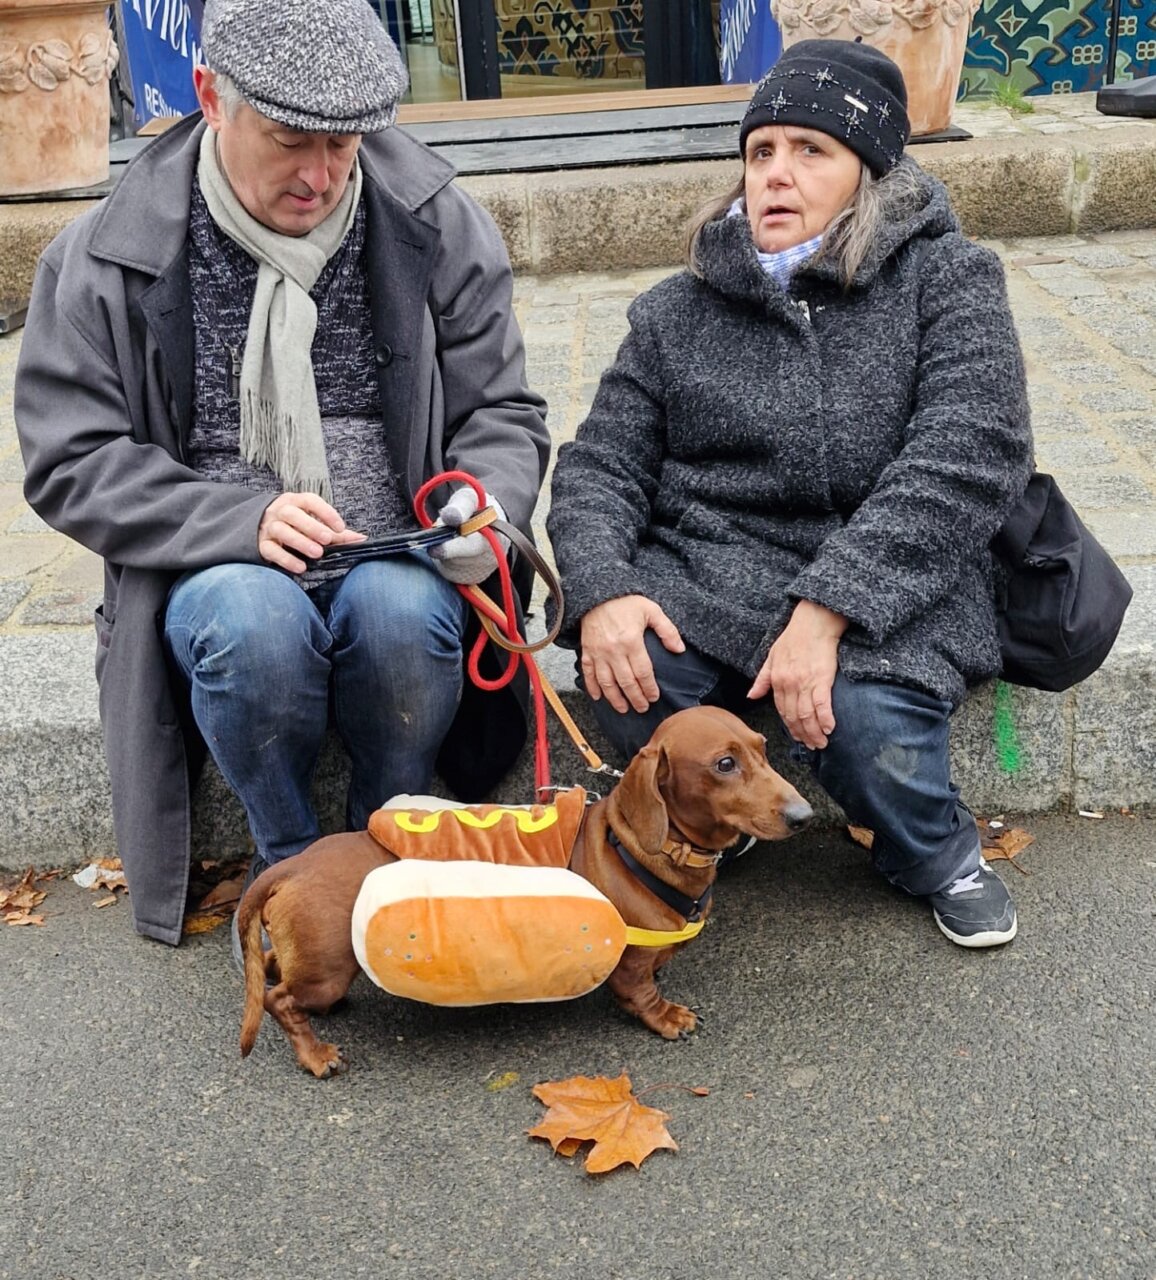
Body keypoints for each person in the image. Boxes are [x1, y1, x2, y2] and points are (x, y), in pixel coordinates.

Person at [15, 0, 549, 949]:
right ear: (211, 96)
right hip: (216, 568)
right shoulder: (103, 254)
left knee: (398, 614)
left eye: (346, 144)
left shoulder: (432, 219)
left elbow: (501, 410)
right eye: (292, 139)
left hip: (403, 552)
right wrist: (233, 520)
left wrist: (481, 502)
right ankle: (294, 861)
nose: (322, 175)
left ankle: (389, 841)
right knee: (251, 622)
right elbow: (70, 458)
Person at [546, 39, 1033, 948]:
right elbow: (600, 463)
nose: (776, 173)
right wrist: (604, 589)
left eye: (811, 151)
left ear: (869, 174)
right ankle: (719, 823)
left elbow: (972, 454)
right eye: (761, 151)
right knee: (627, 683)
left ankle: (936, 855)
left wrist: (831, 607)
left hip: (890, 575)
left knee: (867, 724)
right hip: (712, 572)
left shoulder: (949, 279)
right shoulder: (673, 312)